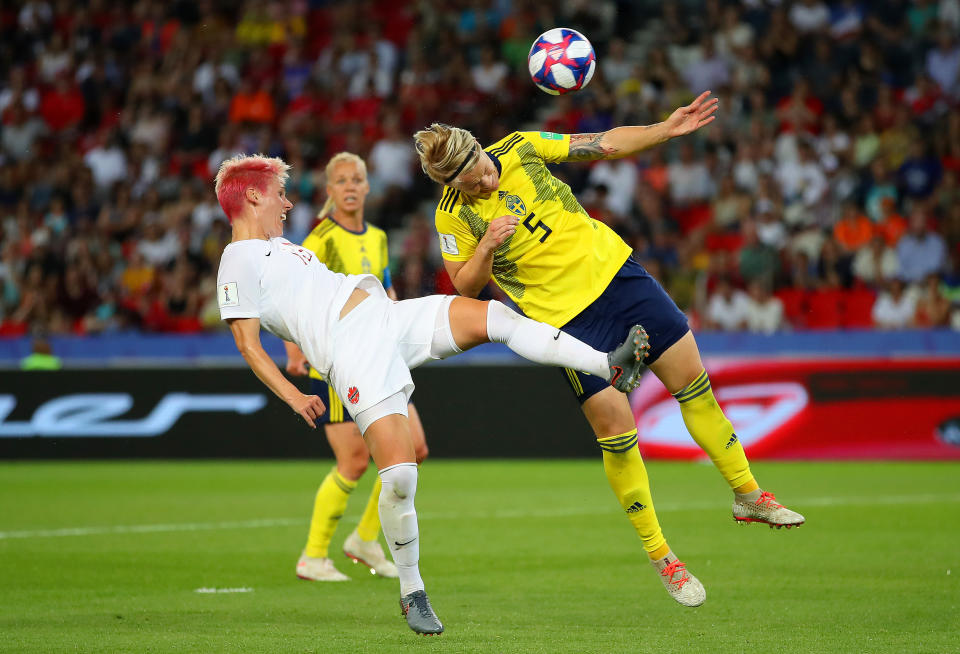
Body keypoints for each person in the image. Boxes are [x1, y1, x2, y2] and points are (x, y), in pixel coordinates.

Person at [214, 153, 648, 635]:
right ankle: (412, 591)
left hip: (385, 317)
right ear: (253, 196)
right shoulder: (236, 259)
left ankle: (608, 364)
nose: (288, 203)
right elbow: (246, 344)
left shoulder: (283, 247)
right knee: (400, 476)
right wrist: (295, 396)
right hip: (351, 352)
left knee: (495, 319)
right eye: (279, 194)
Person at [414, 91, 805, 609]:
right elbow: (465, 286)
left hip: (619, 277)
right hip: (566, 322)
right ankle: (663, 557)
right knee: (618, 434)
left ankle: (748, 494)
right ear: (449, 185)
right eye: (468, 184)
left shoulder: (522, 148)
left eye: (482, 170)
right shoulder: (453, 218)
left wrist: (664, 130)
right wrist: (486, 246)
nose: (483, 181)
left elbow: (601, 145)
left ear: (482, 149)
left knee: (694, 386)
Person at [283, 152, 428, 583]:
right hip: (337, 361)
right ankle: (312, 556)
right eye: (341, 180)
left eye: (357, 179)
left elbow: (384, 288)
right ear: (329, 191)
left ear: (368, 188)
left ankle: (365, 538)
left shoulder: (379, 237)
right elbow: (293, 295)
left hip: (379, 355)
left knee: (415, 450)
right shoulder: (321, 239)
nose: (349, 186)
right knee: (354, 462)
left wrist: (400, 322)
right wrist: (293, 350)